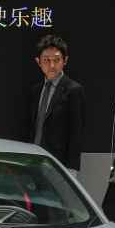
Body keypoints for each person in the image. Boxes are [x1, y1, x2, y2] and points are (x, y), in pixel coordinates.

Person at [28, 34, 85, 172]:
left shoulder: (73, 90)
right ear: (38, 62)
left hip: (59, 166)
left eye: (57, 60)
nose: (52, 65)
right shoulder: (35, 91)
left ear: (65, 61)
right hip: (34, 161)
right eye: (46, 60)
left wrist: (71, 170)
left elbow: (76, 134)